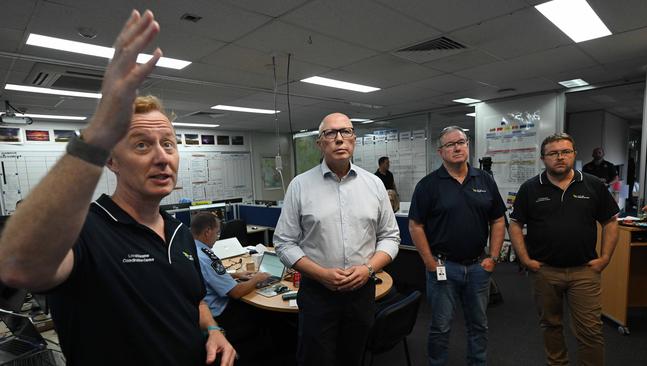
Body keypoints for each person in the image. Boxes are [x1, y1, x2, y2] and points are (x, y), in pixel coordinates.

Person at [0, 10, 235, 366]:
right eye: (141, 145)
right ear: (111, 160)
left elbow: (193, 300)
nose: (161, 157)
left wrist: (213, 330)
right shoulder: (84, 232)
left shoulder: (179, 233)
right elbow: (18, 266)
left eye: (168, 144)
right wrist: (99, 131)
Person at [274, 113, 400, 366]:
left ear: (354, 139)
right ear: (320, 143)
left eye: (346, 132)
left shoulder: (374, 185)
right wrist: (321, 274)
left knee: (352, 357)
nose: (339, 139)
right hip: (317, 294)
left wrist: (368, 269)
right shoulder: (299, 186)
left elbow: (390, 237)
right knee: (315, 359)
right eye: (330, 133)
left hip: (361, 293)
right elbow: (284, 242)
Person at [509, 133, 619, 366]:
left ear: (574, 154)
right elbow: (516, 224)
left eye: (565, 152)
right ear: (543, 158)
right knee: (551, 325)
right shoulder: (530, 188)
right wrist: (525, 259)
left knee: (590, 331)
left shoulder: (593, 184)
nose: (560, 157)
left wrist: (606, 257)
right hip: (544, 271)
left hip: (584, 271)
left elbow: (610, 221)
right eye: (553, 153)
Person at [408, 126, 506, 366]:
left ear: (468, 145)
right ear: (441, 152)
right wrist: (429, 262)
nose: (457, 147)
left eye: (461, 142)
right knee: (440, 326)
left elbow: (498, 219)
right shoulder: (428, 185)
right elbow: (415, 226)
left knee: (479, 325)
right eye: (450, 144)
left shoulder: (484, 180)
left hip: (478, 267)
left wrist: (493, 257)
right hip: (443, 267)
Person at [191, 213, 270, 341]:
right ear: (207, 232)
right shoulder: (207, 257)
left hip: (200, 311)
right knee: (263, 311)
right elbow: (236, 292)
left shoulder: (190, 249)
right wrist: (257, 278)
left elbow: (207, 275)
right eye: (217, 233)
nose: (217, 238)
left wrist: (235, 274)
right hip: (219, 314)